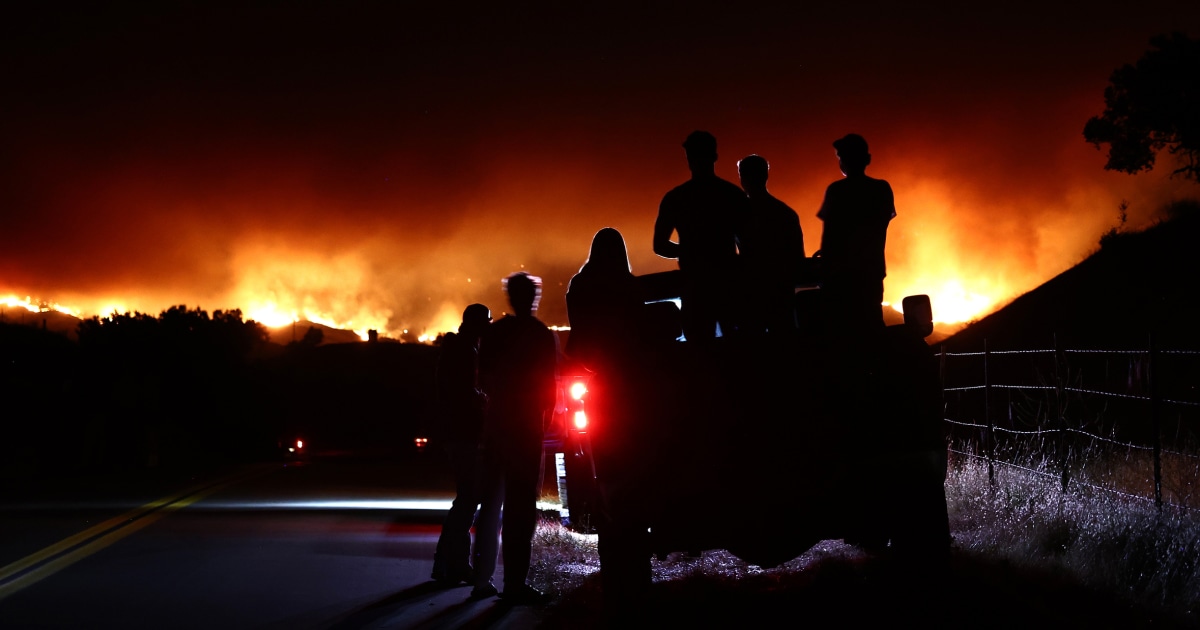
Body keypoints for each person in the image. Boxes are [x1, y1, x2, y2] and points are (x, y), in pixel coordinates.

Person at [565, 228, 655, 611]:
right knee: (636, 478)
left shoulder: (581, 288)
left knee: (607, 482)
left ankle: (614, 575)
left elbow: (577, 345)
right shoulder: (630, 288)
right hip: (633, 394)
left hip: (601, 392)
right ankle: (637, 574)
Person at [472, 272, 559, 604]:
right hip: (525, 428)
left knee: (491, 503)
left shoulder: (495, 334)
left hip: (497, 426)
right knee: (521, 507)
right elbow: (548, 388)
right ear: (533, 297)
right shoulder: (539, 335)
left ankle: (482, 579)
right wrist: (542, 419)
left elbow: (485, 380)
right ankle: (514, 585)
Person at [653, 130, 748, 341]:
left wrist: (688, 251)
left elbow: (659, 245)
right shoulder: (732, 195)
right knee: (738, 347)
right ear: (714, 156)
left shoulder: (676, 198)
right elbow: (749, 243)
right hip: (729, 285)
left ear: (688, 158)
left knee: (699, 348)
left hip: (694, 286)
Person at [430, 303, 491, 586]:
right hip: (463, 434)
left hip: (456, 433)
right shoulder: (466, 350)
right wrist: (484, 400)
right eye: (486, 322)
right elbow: (465, 393)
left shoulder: (459, 347)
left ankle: (448, 563)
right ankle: (452, 565)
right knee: (468, 499)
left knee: (465, 499)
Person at [813, 133, 896, 338]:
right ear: (867, 159)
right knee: (871, 331)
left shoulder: (837, 191)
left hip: (842, 280)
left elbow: (830, 236)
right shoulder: (881, 189)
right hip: (871, 275)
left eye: (841, 156)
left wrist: (826, 270)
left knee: (842, 335)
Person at [736, 154, 805, 337]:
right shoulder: (785, 213)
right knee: (784, 343)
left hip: (749, 293)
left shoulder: (738, 215)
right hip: (781, 291)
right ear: (766, 176)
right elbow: (798, 258)